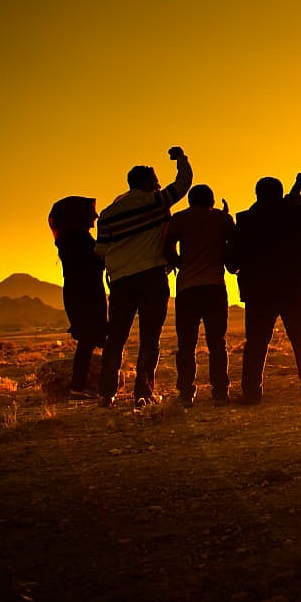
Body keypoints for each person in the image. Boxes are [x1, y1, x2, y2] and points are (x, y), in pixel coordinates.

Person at [95, 147, 192, 408]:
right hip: (151, 276)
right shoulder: (156, 201)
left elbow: (101, 251)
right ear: (147, 183)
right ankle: (143, 393)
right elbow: (183, 184)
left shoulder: (107, 215)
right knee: (150, 337)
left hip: (120, 281)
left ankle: (107, 393)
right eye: (156, 180)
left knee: (116, 338)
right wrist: (181, 159)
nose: (159, 183)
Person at [227, 174, 301, 404]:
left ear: (257, 194)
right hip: (296, 287)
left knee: (257, 342)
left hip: (260, 290)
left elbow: (232, 260)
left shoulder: (247, 219)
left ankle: (252, 393)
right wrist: (299, 202)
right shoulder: (294, 213)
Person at [163, 184, 236, 407]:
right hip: (214, 286)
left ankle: (186, 392)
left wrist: (177, 262)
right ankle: (220, 391)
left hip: (187, 288)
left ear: (191, 201)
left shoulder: (179, 219)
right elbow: (233, 246)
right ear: (212, 201)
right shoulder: (222, 220)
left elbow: (167, 246)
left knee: (186, 345)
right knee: (217, 342)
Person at [48, 196, 107, 399]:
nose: (95, 216)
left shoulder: (68, 240)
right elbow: (97, 261)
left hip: (80, 293)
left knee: (88, 340)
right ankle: (93, 386)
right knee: (93, 338)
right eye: (91, 212)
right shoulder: (78, 240)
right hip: (86, 295)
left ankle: (82, 386)